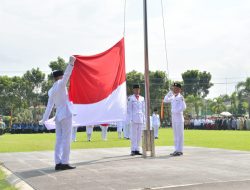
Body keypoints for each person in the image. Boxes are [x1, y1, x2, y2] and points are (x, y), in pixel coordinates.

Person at [39, 56, 76, 170]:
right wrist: (71, 63)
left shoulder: (51, 90)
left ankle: (57, 162)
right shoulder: (61, 83)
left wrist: (44, 119)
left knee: (59, 139)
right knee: (66, 138)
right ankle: (65, 162)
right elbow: (67, 75)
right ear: (59, 77)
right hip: (65, 113)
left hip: (58, 116)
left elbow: (49, 106)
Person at [164, 82, 186, 156]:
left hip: (179, 117)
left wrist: (176, 111)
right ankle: (176, 149)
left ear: (180, 89)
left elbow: (184, 107)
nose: (175, 89)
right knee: (175, 134)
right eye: (174, 88)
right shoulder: (172, 97)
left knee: (180, 134)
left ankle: (180, 150)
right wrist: (169, 92)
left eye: (176, 88)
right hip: (174, 118)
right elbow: (165, 100)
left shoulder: (181, 97)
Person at [127, 84, 145, 156]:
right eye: (135, 89)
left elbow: (143, 109)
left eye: (138, 89)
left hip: (140, 118)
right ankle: (133, 149)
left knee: (139, 135)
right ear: (133, 90)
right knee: (133, 135)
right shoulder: (130, 98)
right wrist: (130, 119)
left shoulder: (142, 98)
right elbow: (129, 109)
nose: (137, 90)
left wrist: (144, 119)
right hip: (134, 118)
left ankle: (137, 149)